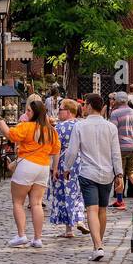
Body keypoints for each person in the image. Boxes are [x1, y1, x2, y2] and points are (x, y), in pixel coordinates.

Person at [63, 92, 123, 262]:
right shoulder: (110, 127)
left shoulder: (80, 126)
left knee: (91, 209)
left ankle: (97, 245)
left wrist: (67, 168)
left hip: (88, 172)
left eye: (85, 105)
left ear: (89, 106)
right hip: (106, 173)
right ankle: (99, 243)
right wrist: (119, 174)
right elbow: (115, 153)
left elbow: (72, 151)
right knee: (102, 209)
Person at [0, 96, 60, 248]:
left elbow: (10, 134)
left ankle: (21, 234)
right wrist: (54, 168)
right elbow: (55, 150)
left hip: (27, 165)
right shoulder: (51, 131)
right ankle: (37, 238)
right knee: (36, 203)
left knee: (18, 202)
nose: (27, 113)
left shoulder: (27, 126)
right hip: (42, 167)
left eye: (29, 110)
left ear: (35, 113)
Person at [47, 99, 89, 238]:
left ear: (69, 112)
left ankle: (69, 229)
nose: (58, 112)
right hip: (82, 162)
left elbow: (56, 150)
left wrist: (54, 169)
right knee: (79, 192)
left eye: (61, 109)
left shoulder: (59, 128)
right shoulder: (83, 125)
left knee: (65, 194)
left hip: (65, 163)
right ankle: (80, 219)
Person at [109, 89, 133, 209]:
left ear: (117, 101)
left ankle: (120, 200)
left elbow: (112, 131)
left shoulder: (115, 113)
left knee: (119, 174)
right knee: (131, 172)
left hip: (120, 147)